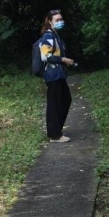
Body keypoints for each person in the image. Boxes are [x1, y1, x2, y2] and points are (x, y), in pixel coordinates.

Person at [40, 9, 74, 142]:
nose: (60, 22)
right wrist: (63, 60)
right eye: (57, 20)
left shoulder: (55, 35)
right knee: (55, 104)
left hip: (59, 74)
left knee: (65, 100)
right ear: (50, 21)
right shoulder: (48, 36)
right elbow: (45, 56)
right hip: (52, 75)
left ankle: (56, 130)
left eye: (61, 19)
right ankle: (54, 135)